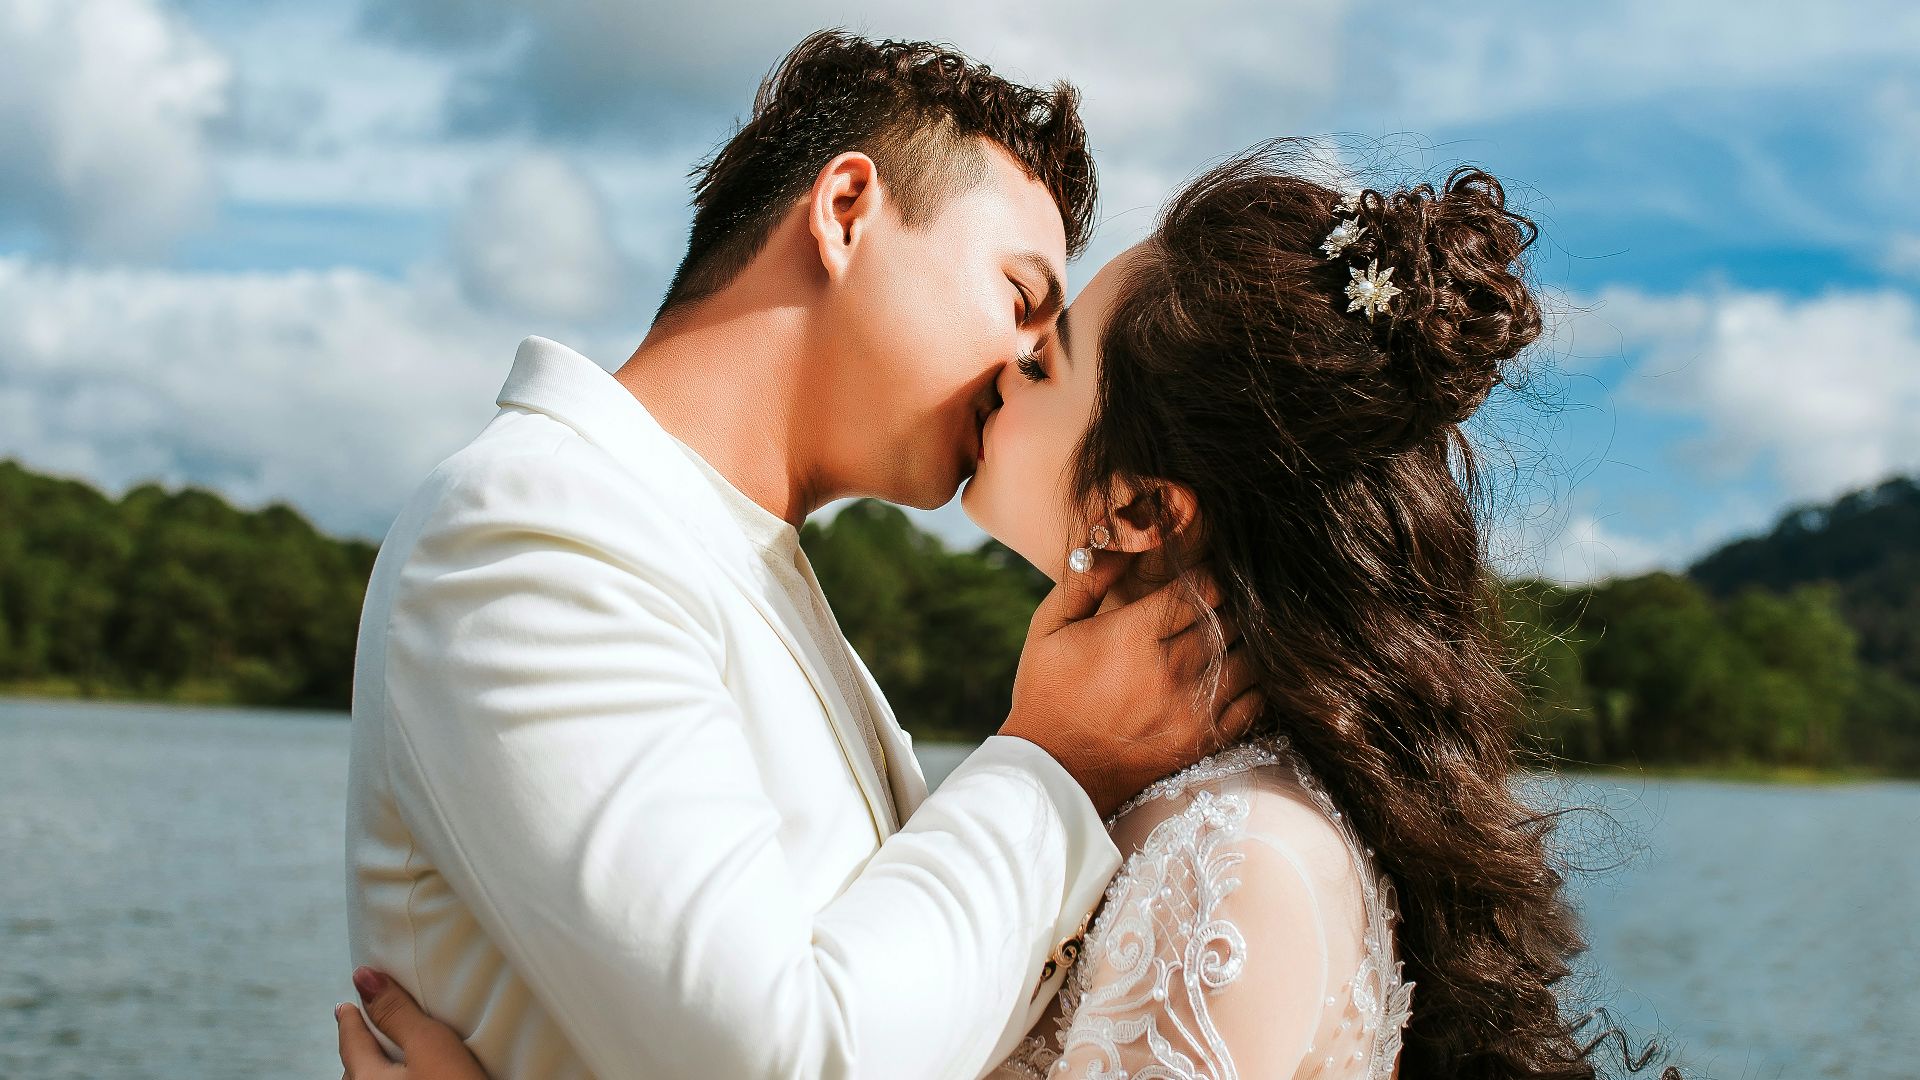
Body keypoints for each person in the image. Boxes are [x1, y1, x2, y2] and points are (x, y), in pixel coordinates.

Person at [341, 143, 1691, 1079]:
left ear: (1148, 510)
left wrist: (1046, 760)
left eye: (1043, 355)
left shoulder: (1239, 854)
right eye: (1019, 311)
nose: (1004, 371)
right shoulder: (1164, 804)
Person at [338, 30, 1262, 1080]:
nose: (1023, 372)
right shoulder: (535, 526)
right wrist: (1052, 762)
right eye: (1019, 297)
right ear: (845, 212)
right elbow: (784, 1060)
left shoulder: (741, 567)